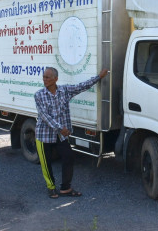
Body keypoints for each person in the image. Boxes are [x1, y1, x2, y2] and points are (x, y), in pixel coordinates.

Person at [34, 67, 109, 198]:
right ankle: (51, 187)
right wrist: (60, 128)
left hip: (60, 135)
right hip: (44, 134)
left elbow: (82, 86)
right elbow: (44, 116)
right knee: (46, 163)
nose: (44, 80)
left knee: (68, 157)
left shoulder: (65, 91)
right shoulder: (39, 95)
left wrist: (99, 77)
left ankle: (65, 188)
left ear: (55, 79)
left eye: (47, 77)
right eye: (44, 77)